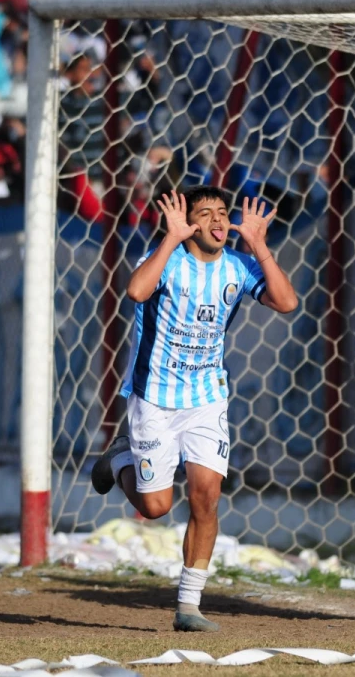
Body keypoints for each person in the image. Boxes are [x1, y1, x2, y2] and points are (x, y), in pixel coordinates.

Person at [91, 187, 298, 632]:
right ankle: (120, 457)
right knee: (155, 507)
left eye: (223, 213)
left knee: (206, 496)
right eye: (205, 214)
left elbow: (287, 302)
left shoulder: (240, 266)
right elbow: (135, 290)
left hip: (206, 399)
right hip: (155, 398)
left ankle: (189, 606)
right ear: (189, 225)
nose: (218, 221)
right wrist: (169, 240)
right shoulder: (169, 261)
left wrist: (259, 245)